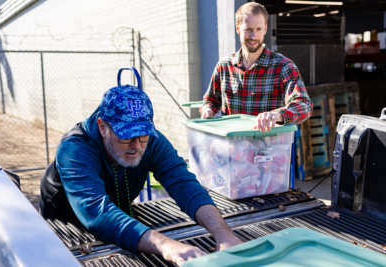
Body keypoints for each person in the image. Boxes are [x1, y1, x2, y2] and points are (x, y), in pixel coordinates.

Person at [39, 85, 243, 266]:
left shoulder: (151, 141)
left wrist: (224, 235)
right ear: (102, 127)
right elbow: (96, 212)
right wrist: (166, 246)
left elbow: (183, 183)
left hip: (115, 211)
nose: (136, 146)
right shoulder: (74, 149)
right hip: (65, 223)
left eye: (142, 135)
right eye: (126, 136)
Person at [200, 2, 312, 131]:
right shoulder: (224, 67)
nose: (253, 36)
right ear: (238, 29)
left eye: (258, 29)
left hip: (269, 147)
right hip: (233, 148)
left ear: (265, 29)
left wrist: (277, 115)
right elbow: (210, 100)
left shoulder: (283, 66)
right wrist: (208, 109)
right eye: (248, 29)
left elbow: (304, 105)